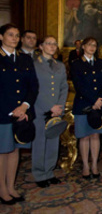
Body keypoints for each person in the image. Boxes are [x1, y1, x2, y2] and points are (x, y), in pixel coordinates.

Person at [0, 23, 38, 205]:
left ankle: (11, 185)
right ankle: (2, 189)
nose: (14, 38)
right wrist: (12, 110)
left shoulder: (25, 59)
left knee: (15, 150)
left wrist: (24, 107)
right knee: (2, 152)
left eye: (16, 35)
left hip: (22, 114)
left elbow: (33, 86)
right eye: (10, 35)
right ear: (1, 37)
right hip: (2, 113)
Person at [70, 37, 102, 179]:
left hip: (100, 104)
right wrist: (93, 100)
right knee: (84, 136)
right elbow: (78, 86)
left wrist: (100, 100)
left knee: (95, 135)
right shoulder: (76, 64)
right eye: (89, 45)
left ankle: (94, 164)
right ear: (83, 47)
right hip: (83, 104)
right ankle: (85, 165)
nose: (92, 47)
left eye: (94, 45)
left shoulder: (101, 63)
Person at [32, 36, 68, 188]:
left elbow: (63, 87)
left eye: (55, 44)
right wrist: (49, 106)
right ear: (41, 46)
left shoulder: (60, 65)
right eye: (49, 43)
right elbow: (34, 89)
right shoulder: (34, 65)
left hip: (56, 110)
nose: (52, 46)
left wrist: (59, 106)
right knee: (40, 141)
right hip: (40, 109)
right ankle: (39, 174)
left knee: (53, 141)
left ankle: (50, 171)